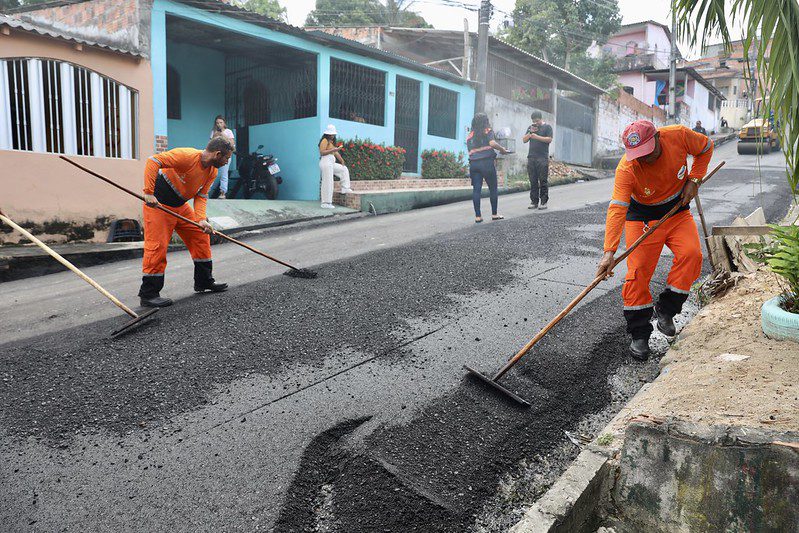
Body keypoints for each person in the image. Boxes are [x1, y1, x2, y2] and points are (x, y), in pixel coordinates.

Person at [596, 120, 713, 360]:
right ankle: (639, 334)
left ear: (658, 137)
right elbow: (617, 208)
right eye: (638, 155)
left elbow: (706, 148)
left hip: (676, 211)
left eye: (648, 152)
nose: (644, 159)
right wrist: (609, 251)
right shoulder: (627, 168)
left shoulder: (679, 135)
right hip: (643, 219)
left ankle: (666, 310)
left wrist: (695, 179)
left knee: (692, 255)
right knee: (637, 272)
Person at [139, 137, 234, 307]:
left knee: (200, 234)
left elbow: (201, 196)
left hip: (180, 205)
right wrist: (148, 192)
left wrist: (201, 220)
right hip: (159, 205)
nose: (227, 161)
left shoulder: (211, 171)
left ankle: (204, 281)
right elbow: (153, 161)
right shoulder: (187, 156)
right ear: (218, 154)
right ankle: (148, 294)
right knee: (157, 246)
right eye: (226, 158)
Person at [466, 113, 510, 223]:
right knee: (493, 188)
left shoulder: (470, 135)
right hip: (486, 163)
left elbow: (470, 151)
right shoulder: (488, 131)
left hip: (474, 165)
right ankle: (494, 214)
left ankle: (478, 216)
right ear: (485, 121)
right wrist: (502, 149)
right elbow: (492, 143)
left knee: (476, 189)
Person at [523, 111, 553, 210]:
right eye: (534, 121)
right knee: (533, 180)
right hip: (531, 157)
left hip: (542, 158)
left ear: (541, 119)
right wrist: (531, 132)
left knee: (543, 180)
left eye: (537, 121)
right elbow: (524, 140)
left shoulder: (547, 127)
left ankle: (543, 202)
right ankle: (534, 201)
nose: (536, 123)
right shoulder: (531, 127)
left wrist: (537, 137)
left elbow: (549, 139)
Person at [318, 125, 353, 209]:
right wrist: (334, 150)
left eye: (333, 134)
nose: (333, 135)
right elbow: (322, 152)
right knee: (328, 182)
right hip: (326, 162)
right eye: (331, 134)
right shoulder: (324, 140)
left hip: (331, 162)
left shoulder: (331, 142)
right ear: (327, 134)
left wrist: (341, 160)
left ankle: (345, 188)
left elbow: (336, 153)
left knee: (343, 169)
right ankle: (326, 203)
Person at [208, 115, 235, 199]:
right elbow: (211, 144)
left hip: (225, 155)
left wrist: (222, 134)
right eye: (217, 123)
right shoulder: (213, 132)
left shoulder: (228, 131)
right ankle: (206, 191)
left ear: (224, 123)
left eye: (221, 122)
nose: (219, 124)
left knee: (224, 174)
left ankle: (223, 193)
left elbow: (232, 144)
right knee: (211, 173)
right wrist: (216, 135)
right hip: (216, 155)